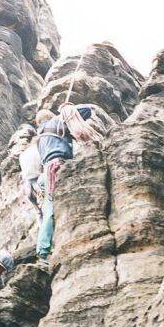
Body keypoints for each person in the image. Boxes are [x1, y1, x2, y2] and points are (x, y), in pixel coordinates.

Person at [35, 103, 95, 261]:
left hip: (46, 171)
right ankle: (42, 249)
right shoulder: (56, 122)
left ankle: (45, 245)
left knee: (48, 208)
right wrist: (65, 108)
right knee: (50, 209)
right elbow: (87, 110)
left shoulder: (40, 137)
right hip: (56, 165)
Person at [19, 131, 43, 224]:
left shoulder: (23, 155)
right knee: (45, 207)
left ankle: (41, 233)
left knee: (38, 212)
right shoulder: (39, 150)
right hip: (38, 185)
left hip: (27, 187)